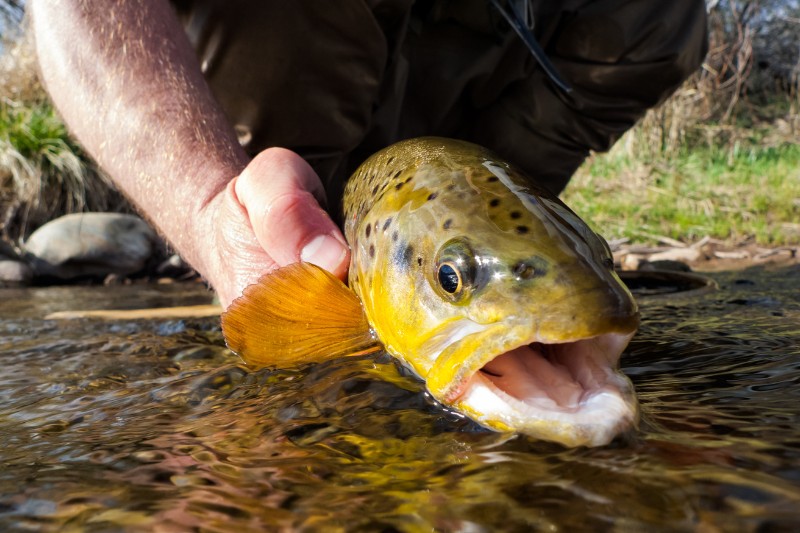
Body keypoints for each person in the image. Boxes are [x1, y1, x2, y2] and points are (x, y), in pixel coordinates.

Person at [30, 0, 708, 308]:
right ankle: (277, 231)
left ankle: (491, 270)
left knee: (661, 14)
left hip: (482, 111)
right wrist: (209, 206)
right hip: (276, 101)